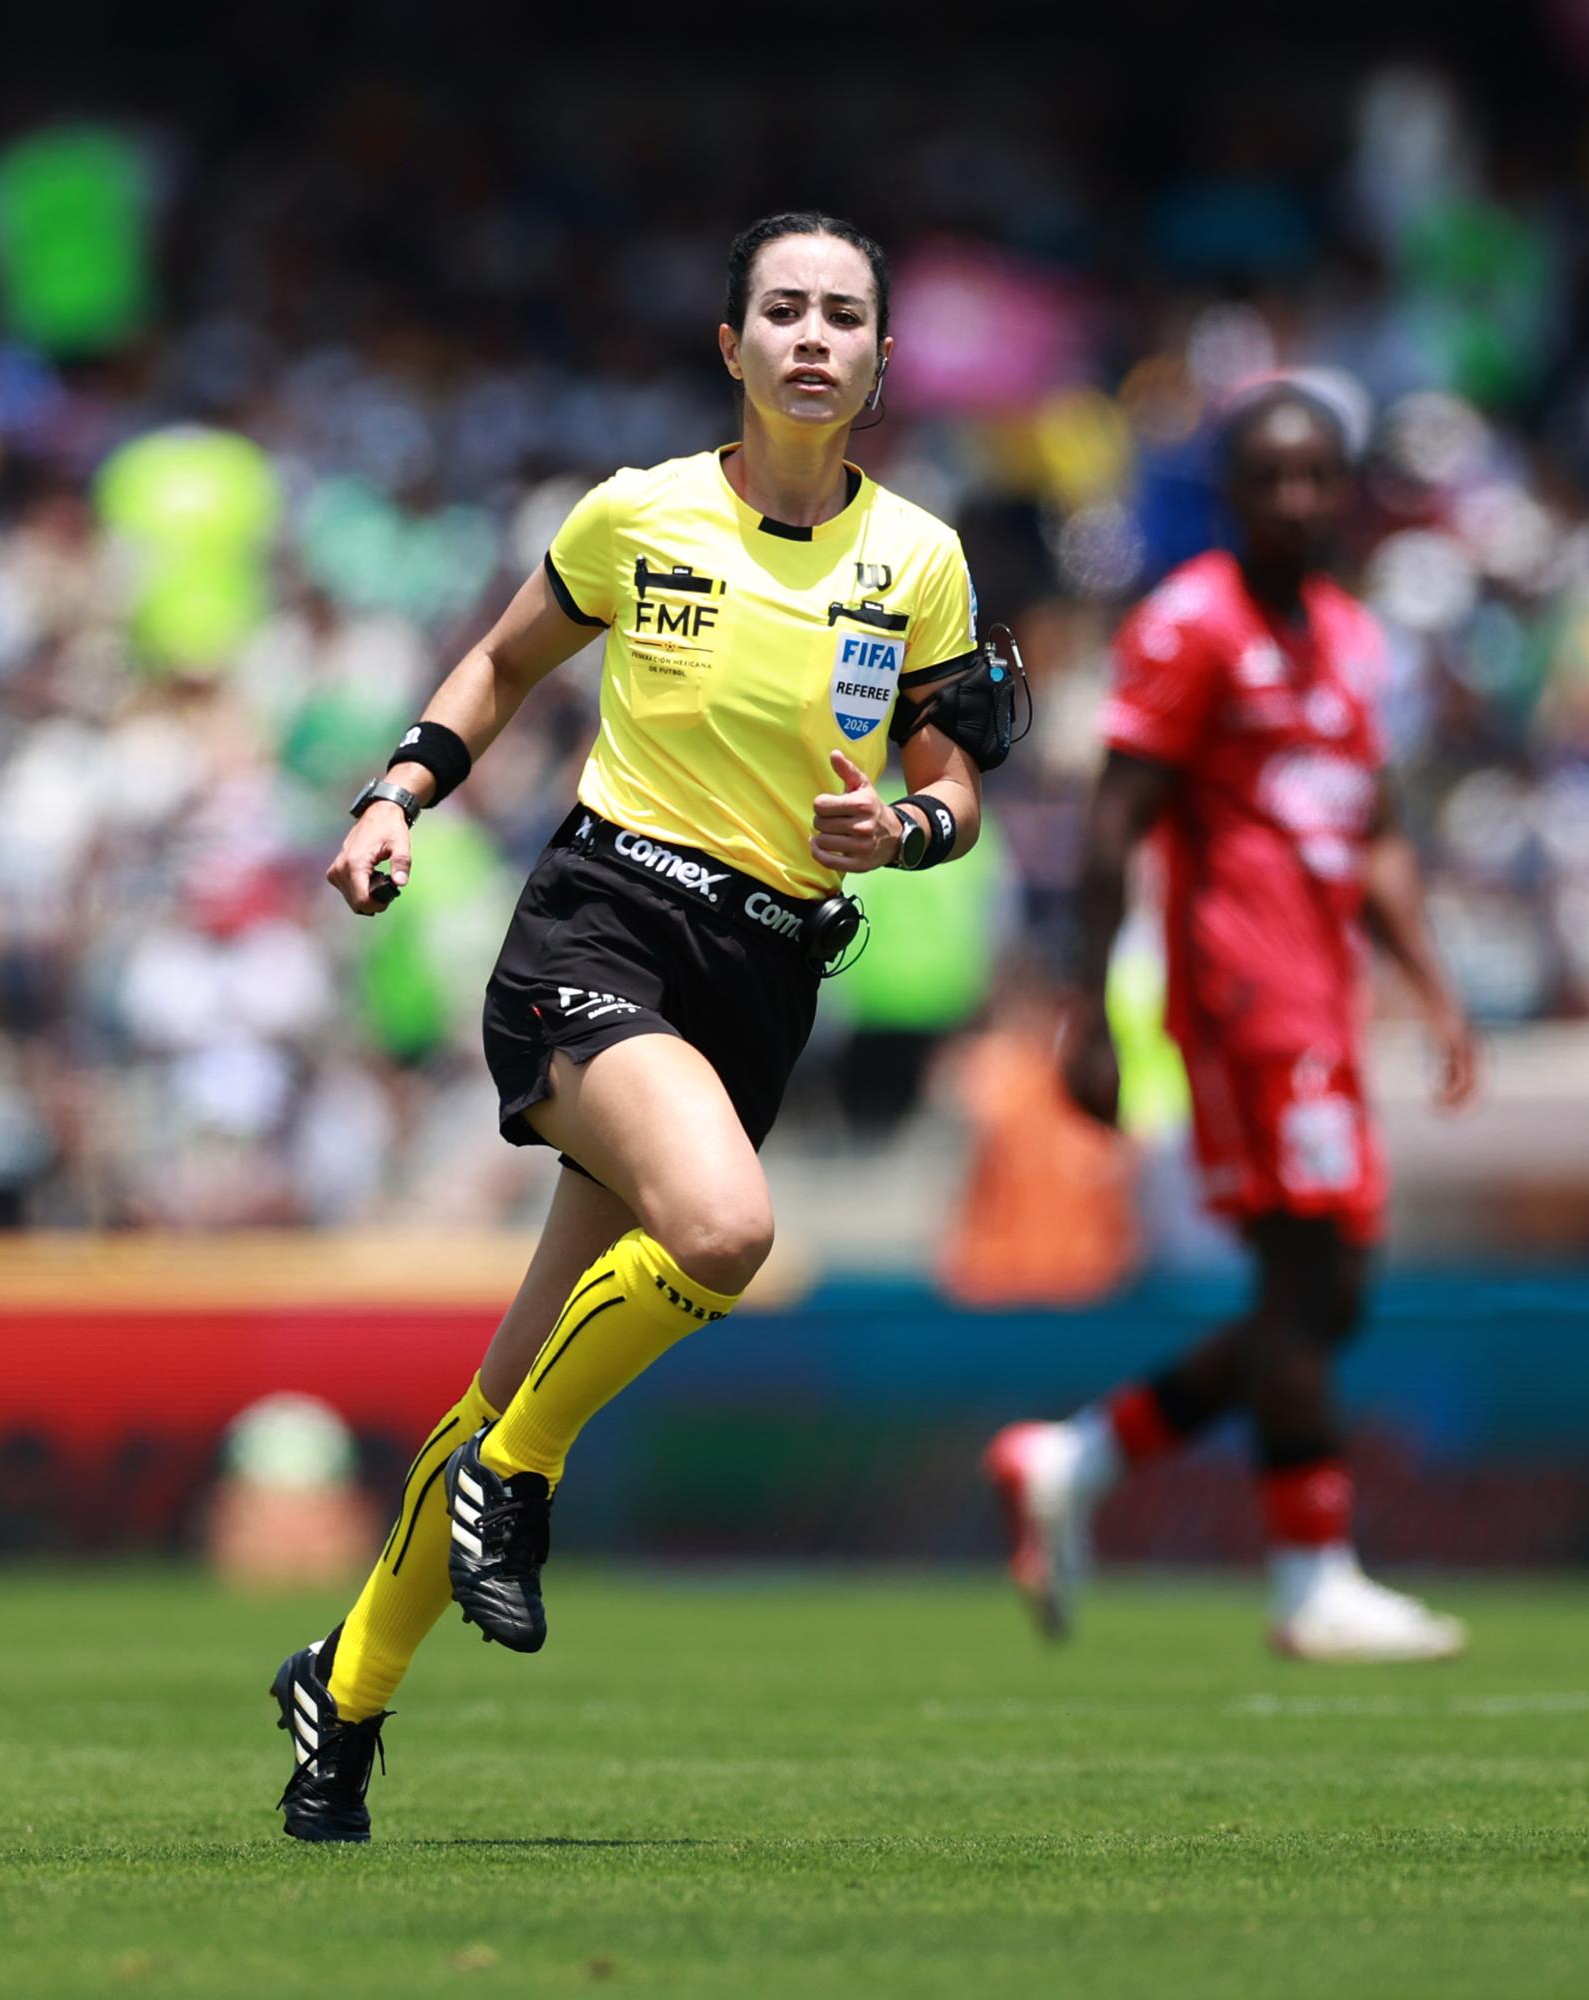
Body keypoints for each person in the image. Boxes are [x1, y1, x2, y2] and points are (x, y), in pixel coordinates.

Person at [269, 212, 1016, 1841]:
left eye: (845, 317)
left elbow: (956, 782)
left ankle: (346, 1689)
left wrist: (909, 835)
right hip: (602, 928)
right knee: (728, 1228)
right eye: (783, 311)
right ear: (730, 347)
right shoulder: (638, 514)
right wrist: (398, 794)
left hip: (762, 981)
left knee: (512, 1369)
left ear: (883, 362)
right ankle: (514, 1481)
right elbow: (498, 662)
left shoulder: (924, 560)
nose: (814, 337)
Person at [984, 370, 1482, 1663]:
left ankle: (1078, 1460)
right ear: (1230, 493)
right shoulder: (1191, 625)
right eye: (1270, 477)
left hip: (1329, 997)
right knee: (1307, 1279)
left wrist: (1432, 987)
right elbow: (1112, 827)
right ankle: (1312, 1579)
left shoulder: (1356, 640)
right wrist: (1088, 1017)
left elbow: (1369, 835)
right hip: (1247, 993)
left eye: (1318, 477)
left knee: (1328, 1296)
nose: (1297, 500)